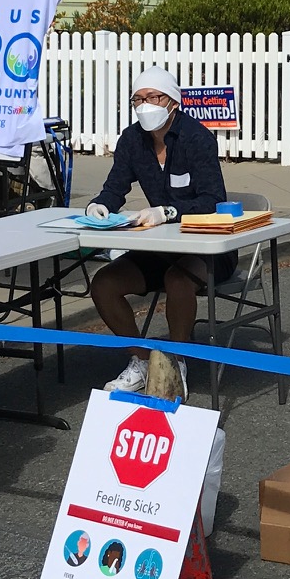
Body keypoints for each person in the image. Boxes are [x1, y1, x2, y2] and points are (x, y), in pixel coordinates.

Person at [85, 66, 230, 395]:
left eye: (153, 97)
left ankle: (175, 366)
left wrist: (169, 212)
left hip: (207, 248)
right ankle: (141, 362)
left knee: (177, 280)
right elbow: (115, 187)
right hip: (161, 248)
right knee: (105, 283)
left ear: (173, 101)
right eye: (138, 99)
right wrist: (99, 206)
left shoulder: (196, 138)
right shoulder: (132, 140)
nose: (145, 105)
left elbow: (213, 199)